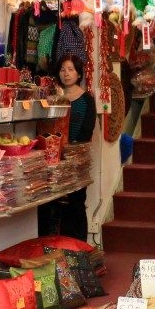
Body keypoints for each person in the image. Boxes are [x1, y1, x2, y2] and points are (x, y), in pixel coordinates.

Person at [38, 54, 96, 241]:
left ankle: (79, 249)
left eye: (71, 69)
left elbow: (87, 131)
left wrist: (70, 153)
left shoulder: (86, 99)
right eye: (63, 69)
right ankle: (52, 249)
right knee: (50, 205)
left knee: (76, 205)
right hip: (53, 159)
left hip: (75, 160)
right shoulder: (52, 97)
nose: (66, 73)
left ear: (78, 73)